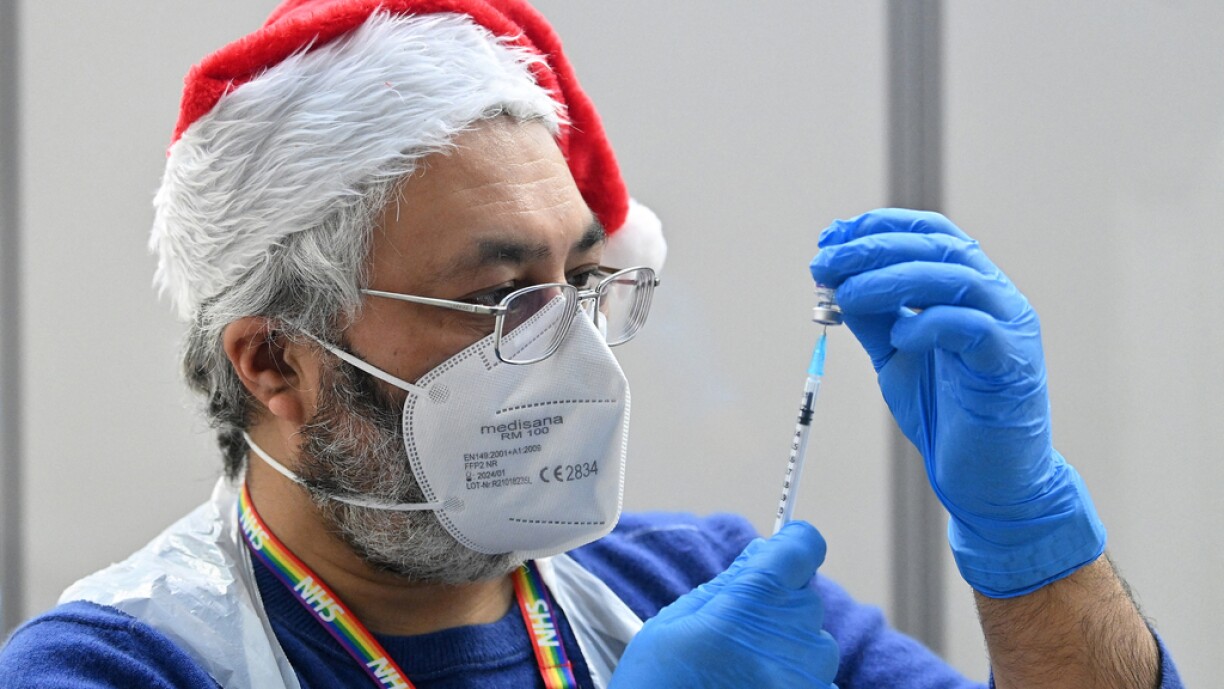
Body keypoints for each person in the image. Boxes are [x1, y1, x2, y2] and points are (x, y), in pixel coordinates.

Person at [0, 1, 1184, 687]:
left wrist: (1029, 535)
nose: (576, 351)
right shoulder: (120, 663)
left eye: (582, 280)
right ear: (275, 361)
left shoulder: (701, 588)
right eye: (505, 297)